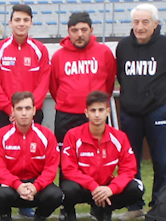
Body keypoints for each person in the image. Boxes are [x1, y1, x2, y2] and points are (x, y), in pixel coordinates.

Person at [116, 3, 166, 219]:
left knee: (161, 160)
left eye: (145, 22)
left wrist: (161, 98)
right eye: (136, 22)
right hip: (130, 112)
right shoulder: (123, 46)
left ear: (155, 24)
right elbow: (121, 76)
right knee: (130, 161)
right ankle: (134, 206)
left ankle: (159, 205)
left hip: (159, 111)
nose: (140, 26)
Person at [59, 91, 144, 221]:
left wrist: (112, 188)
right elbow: (68, 169)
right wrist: (92, 185)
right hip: (84, 187)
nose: (97, 115)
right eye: (93, 110)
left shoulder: (119, 137)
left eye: (101, 110)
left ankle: (104, 212)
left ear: (108, 112)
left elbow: (128, 169)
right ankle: (69, 214)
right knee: (67, 187)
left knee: (136, 188)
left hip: (106, 187)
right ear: (86, 113)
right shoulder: (73, 135)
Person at [0, 91, 63, 221]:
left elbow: (51, 168)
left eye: (28, 108)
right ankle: (5, 216)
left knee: (56, 195)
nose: (24, 113)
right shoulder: (1, 135)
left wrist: (36, 186)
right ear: (13, 111)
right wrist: (17, 185)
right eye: (19, 109)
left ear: (34, 110)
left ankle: (40, 218)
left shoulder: (46, 135)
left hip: (37, 186)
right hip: (12, 186)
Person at [49, 12, 116, 155]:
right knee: (65, 158)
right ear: (68, 32)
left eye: (84, 30)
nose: (79, 34)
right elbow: (54, 87)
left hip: (96, 114)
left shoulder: (104, 52)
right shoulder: (58, 56)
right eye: (74, 30)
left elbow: (109, 82)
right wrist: (68, 101)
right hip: (66, 116)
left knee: (98, 157)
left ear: (91, 31)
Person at [0, 4, 50, 130]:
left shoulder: (40, 50)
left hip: (33, 113)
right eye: (17, 20)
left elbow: (44, 83)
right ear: (10, 23)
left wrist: (29, 109)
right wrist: (9, 109)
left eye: (26, 20)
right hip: (6, 114)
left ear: (31, 23)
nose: (21, 24)